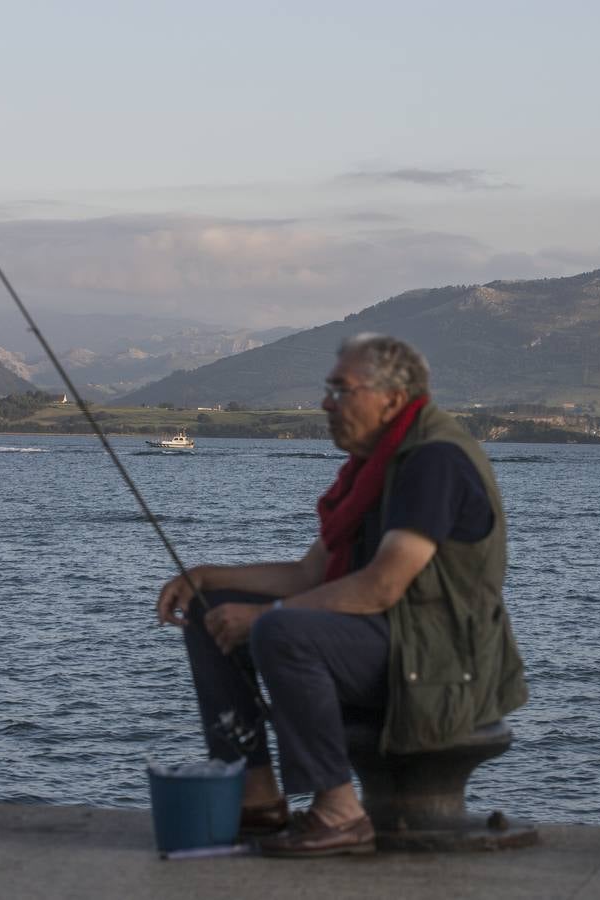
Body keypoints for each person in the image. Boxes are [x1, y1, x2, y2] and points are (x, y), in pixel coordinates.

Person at [155, 333, 527, 857]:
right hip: (398, 644)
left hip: (445, 665)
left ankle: (339, 812)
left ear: (393, 399)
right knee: (209, 610)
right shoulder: (379, 465)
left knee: (281, 630)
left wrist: (265, 616)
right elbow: (314, 573)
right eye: (328, 390)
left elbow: (381, 586)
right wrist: (207, 577)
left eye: (341, 391)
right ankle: (257, 795)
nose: (326, 405)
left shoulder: (432, 461)